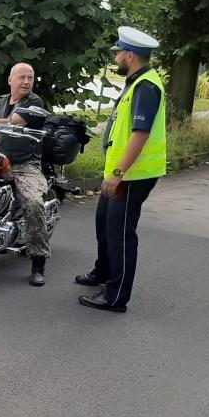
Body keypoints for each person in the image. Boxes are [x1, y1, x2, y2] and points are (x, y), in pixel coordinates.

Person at [76, 26, 167, 313]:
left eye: (118, 53)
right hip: (119, 172)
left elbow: (140, 135)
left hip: (132, 175)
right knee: (104, 223)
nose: (116, 57)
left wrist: (118, 175)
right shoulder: (135, 81)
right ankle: (103, 272)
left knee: (121, 234)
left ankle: (116, 296)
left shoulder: (146, 87)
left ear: (130, 55)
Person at [0, 63, 51, 286]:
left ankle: (38, 261)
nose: (27, 82)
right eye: (22, 77)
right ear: (10, 80)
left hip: (23, 164)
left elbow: (13, 122)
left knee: (33, 203)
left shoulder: (34, 103)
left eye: (30, 77)